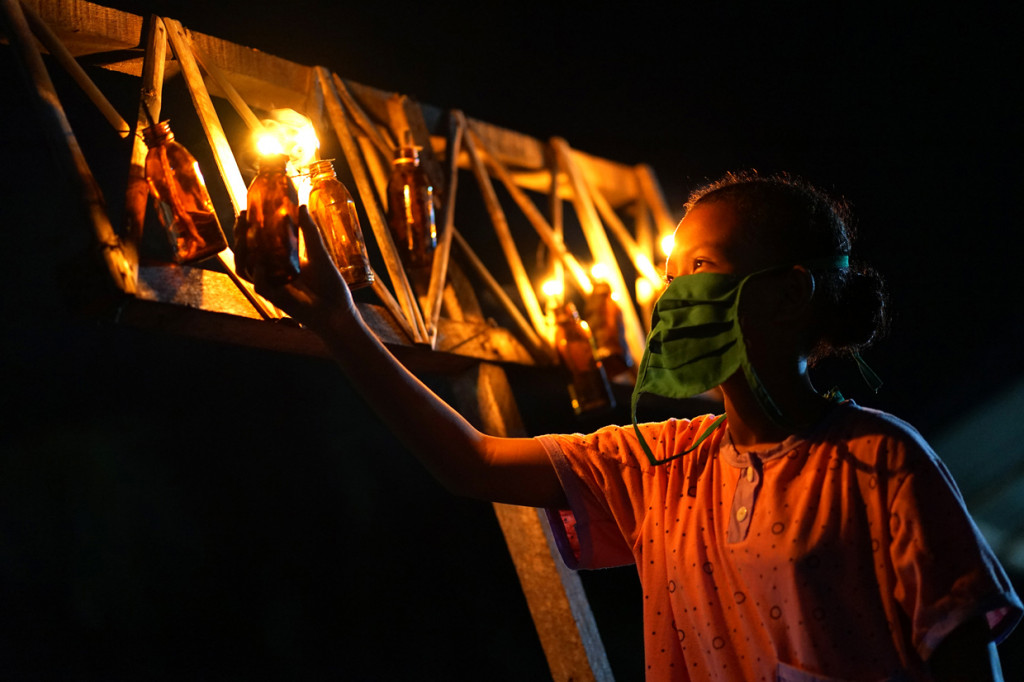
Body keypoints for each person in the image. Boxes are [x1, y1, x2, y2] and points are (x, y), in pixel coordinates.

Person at [244, 171, 1021, 681]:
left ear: (787, 297)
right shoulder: (661, 464)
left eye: (700, 269)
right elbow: (472, 462)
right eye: (669, 273)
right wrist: (343, 327)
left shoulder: (879, 462)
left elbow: (962, 655)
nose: (669, 296)